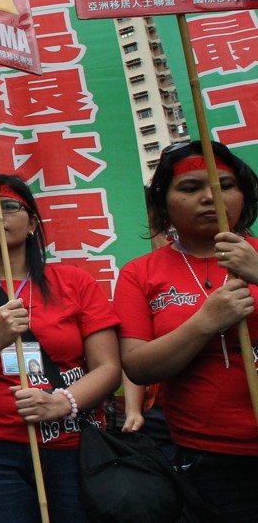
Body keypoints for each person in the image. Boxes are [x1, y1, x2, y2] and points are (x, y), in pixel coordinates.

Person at [0, 176, 120, 523]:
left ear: (33, 223)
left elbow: (108, 367)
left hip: (73, 447)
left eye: (10, 207)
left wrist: (62, 403)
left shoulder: (76, 281)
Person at [113, 141, 258, 520]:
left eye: (224, 185)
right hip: (209, 458)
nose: (211, 197)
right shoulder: (139, 274)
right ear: (164, 204)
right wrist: (204, 323)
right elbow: (138, 366)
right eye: (191, 188)